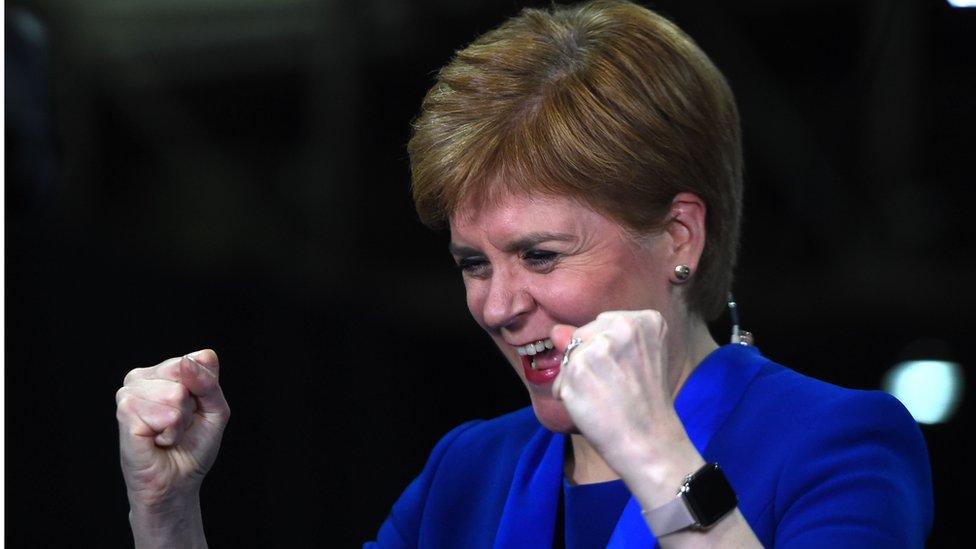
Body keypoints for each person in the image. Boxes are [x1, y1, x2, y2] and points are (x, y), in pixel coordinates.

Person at [115, 1, 933, 547]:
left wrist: (654, 451)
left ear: (680, 234)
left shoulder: (836, 443)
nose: (499, 305)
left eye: (541, 255)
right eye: (474, 263)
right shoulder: (468, 472)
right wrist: (168, 513)